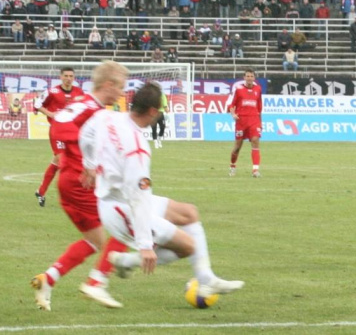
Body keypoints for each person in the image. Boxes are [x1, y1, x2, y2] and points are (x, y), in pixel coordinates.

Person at [82, 83, 244, 300]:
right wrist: (145, 246)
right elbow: (138, 199)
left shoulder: (108, 117)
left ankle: (205, 279)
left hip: (117, 199)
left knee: (189, 213)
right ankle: (129, 261)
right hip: (122, 209)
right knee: (188, 246)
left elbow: (86, 133)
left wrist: (89, 164)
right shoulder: (138, 149)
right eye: (159, 110)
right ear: (152, 111)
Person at [30, 61, 129, 311]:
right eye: (120, 87)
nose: (122, 93)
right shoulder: (90, 108)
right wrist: (87, 162)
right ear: (108, 85)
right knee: (127, 224)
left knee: (94, 240)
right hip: (81, 181)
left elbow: (64, 124)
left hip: (70, 181)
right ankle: (97, 282)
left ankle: (48, 279)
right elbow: (61, 126)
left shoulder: (84, 103)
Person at [33, 67, 84, 207]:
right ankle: (71, 197)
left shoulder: (79, 92)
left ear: (74, 78)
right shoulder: (52, 92)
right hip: (57, 131)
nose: (68, 78)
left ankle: (41, 191)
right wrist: (50, 114)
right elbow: (37, 104)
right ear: (61, 77)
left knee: (59, 161)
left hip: (73, 131)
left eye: (71, 76)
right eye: (66, 75)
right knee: (63, 161)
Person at [227, 69, 263, 178]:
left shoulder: (258, 89)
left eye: (251, 76)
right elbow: (231, 105)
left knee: (255, 141)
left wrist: (260, 122)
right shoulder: (238, 90)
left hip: (254, 120)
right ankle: (232, 166)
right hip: (241, 121)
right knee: (237, 147)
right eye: (247, 76)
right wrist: (233, 114)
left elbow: (259, 107)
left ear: (254, 78)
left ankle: (255, 170)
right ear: (244, 77)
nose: (249, 78)